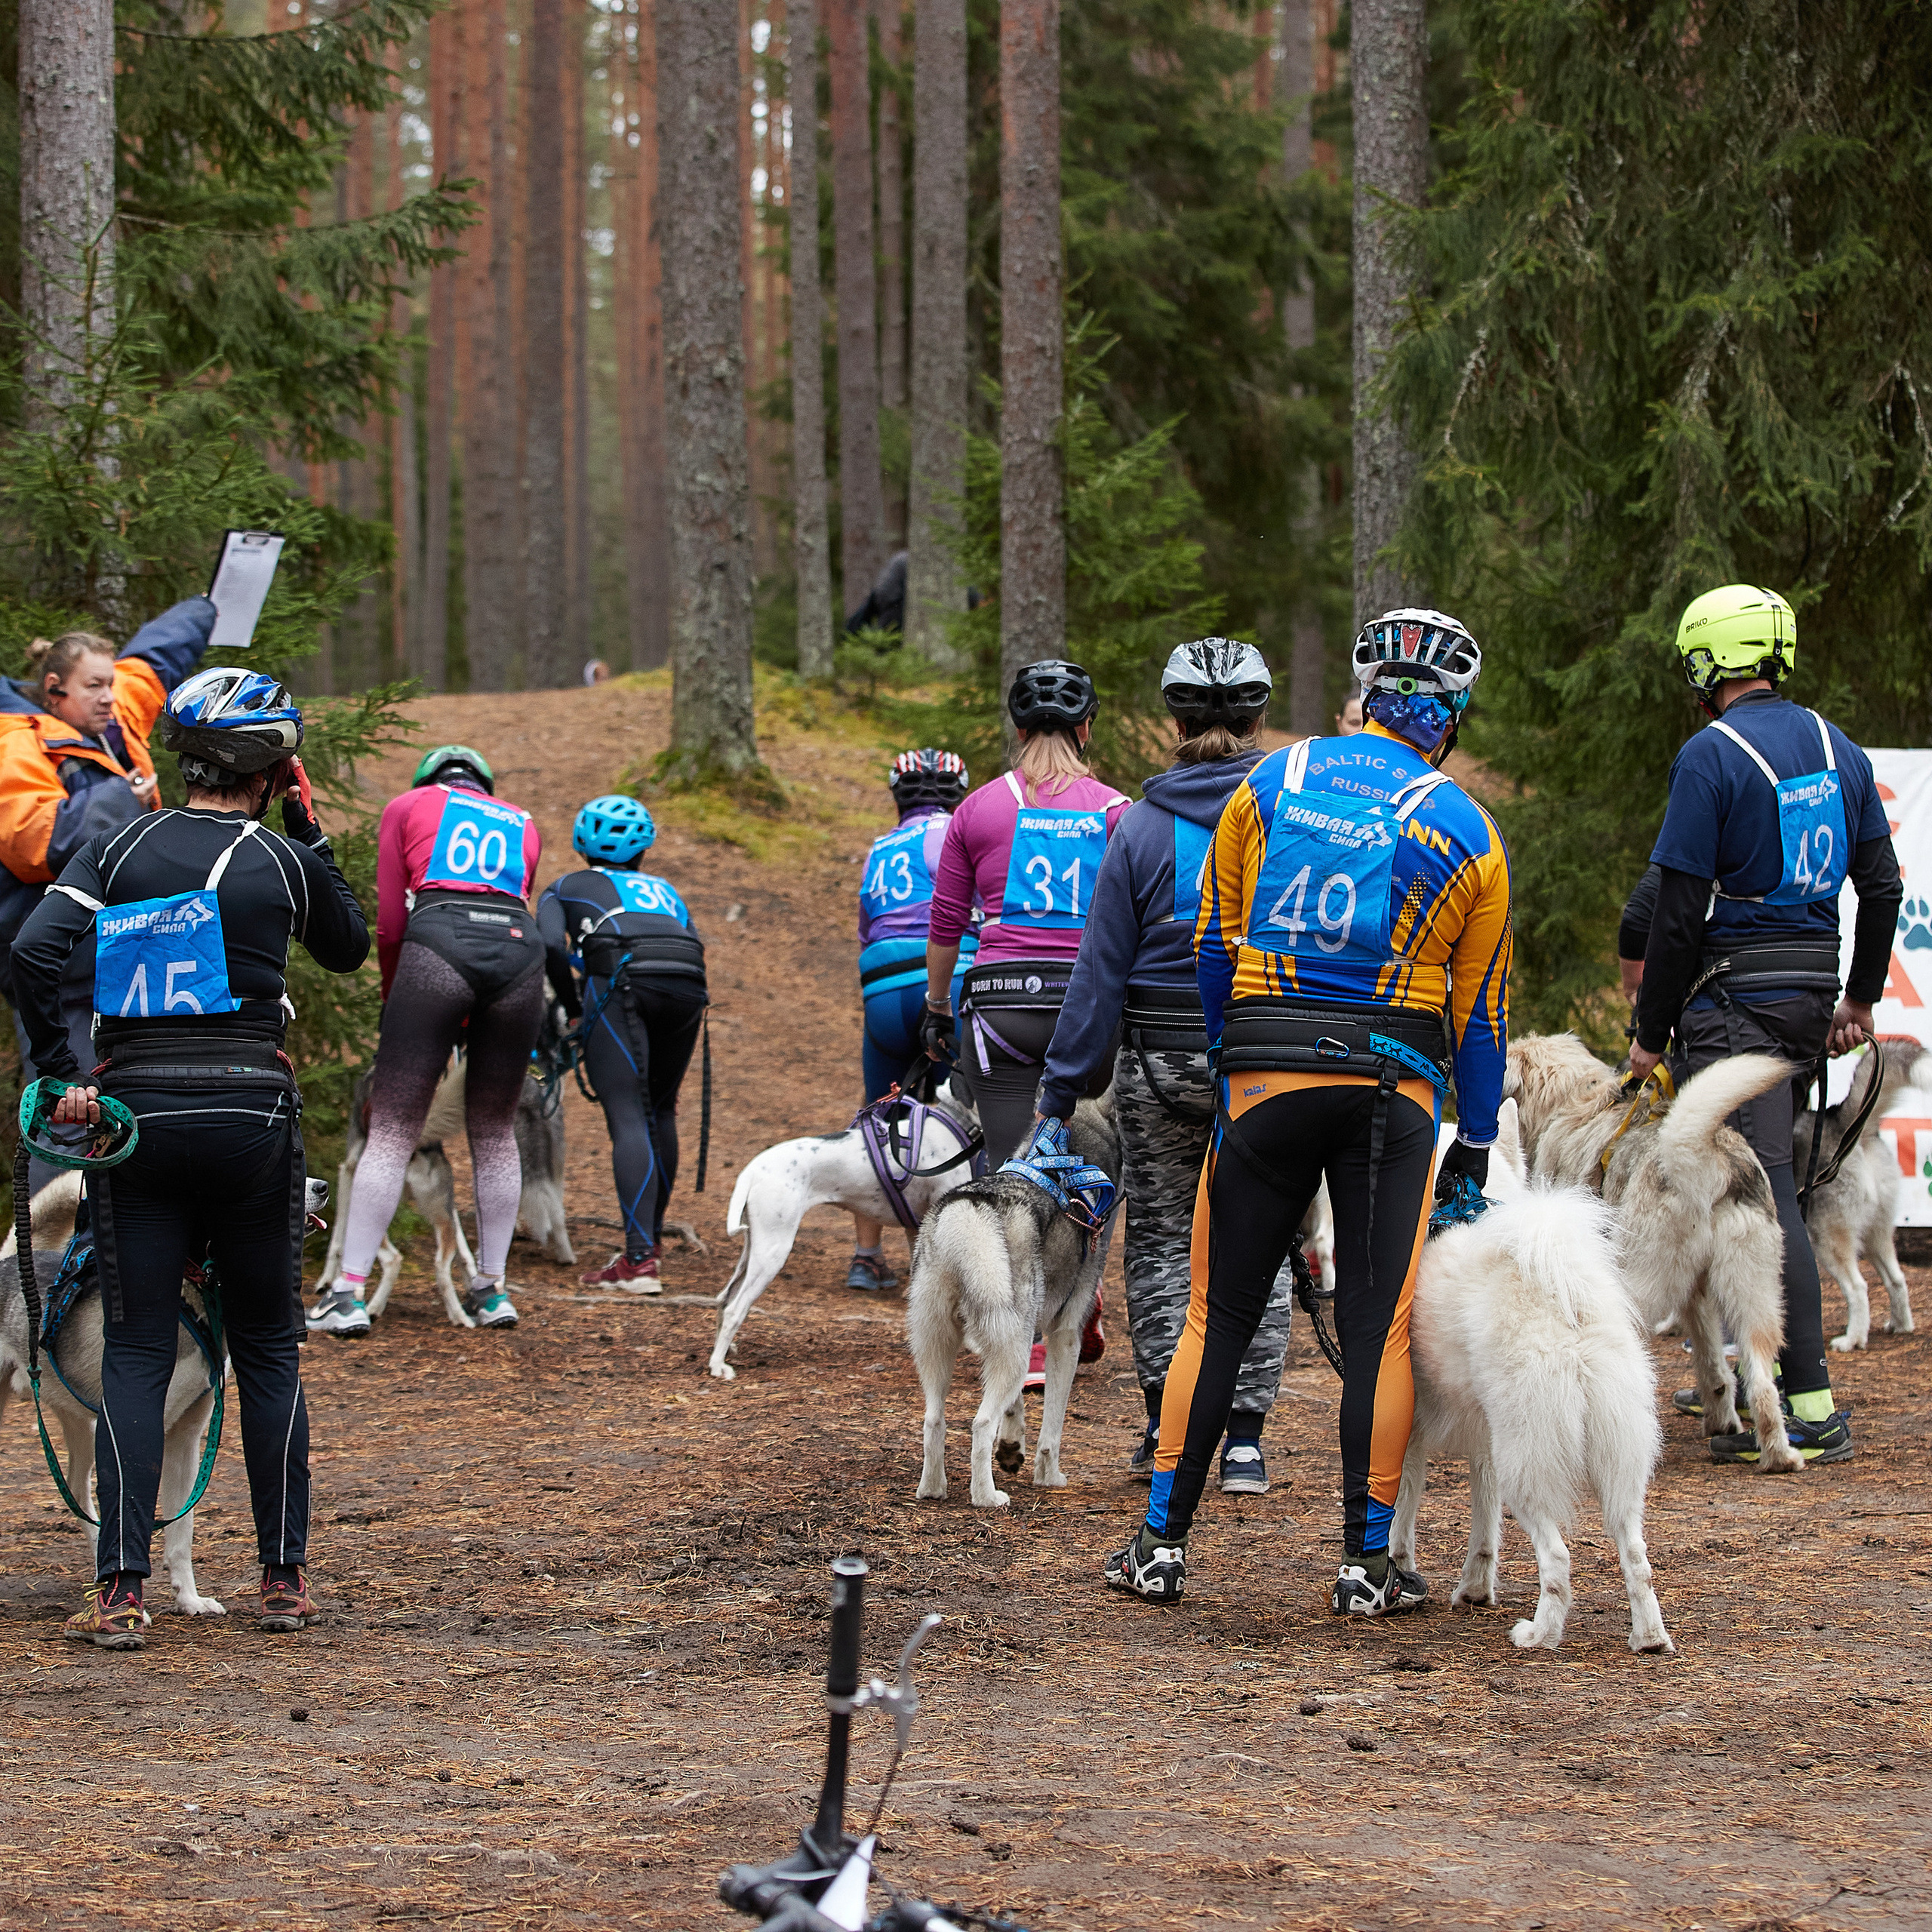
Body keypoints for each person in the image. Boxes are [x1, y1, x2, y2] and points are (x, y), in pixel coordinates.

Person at [1105, 608, 1512, 1614]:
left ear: (1364, 698)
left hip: (1267, 1079)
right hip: (1393, 1093)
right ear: (1447, 719)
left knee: (1217, 1311)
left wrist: (1232, 1056)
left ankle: (1161, 1545)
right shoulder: (1466, 827)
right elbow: (1482, 1012)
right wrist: (1483, 1140)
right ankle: (1367, 1568)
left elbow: (1212, 941)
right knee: (1379, 1328)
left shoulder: (1271, 782)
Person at [11, 669, 368, 1648]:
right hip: (252, 1116)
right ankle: (284, 1580)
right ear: (272, 770)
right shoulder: (279, 858)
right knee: (265, 1347)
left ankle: (122, 1591)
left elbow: (35, 955)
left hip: (137, 1120)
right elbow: (346, 948)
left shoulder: (116, 843)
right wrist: (311, 829)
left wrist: (61, 1071)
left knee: (135, 1348)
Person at [1628, 584, 1901, 1465]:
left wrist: (1647, 1033)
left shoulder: (1709, 755)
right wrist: (1857, 1000)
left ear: (1709, 664)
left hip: (1728, 1002)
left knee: (1758, 1195)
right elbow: (1883, 885)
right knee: (1757, 1189)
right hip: (1808, 994)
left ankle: (1807, 1404)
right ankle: (1744, 1375)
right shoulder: (1837, 746)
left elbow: (1674, 914)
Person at [1035, 639, 1297, 1498]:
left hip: (1157, 1062)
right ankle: (1247, 1442)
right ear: (1256, 719)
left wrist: (1060, 1088)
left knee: (1157, 1242)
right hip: (1263, 1062)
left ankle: (1164, 1422)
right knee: (1259, 1242)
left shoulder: (1139, 828)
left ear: (1175, 722)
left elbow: (1098, 970)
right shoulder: (1292, 820)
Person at [306, 745, 544, 1337]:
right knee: (494, 1129)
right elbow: (515, 897)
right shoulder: (521, 820)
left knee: (392, 1128)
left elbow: (390, 918)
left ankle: (348, 1292)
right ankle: (491, 1289)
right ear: (484, 786)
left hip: (437, 945)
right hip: (519, 951)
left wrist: (399, 996)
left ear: (428, 779)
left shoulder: (408, 804)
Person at [0, 600, 217, 1103]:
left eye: (110, 683)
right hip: (58, 966)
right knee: (69, 1103)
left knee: (132, 1098)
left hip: (123, 953)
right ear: (55, 690)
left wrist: (210, 607)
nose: (108, 696)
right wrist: (126, 798)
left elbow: (154, 662)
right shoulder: (17, 743)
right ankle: (58, 1184)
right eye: (94, 686)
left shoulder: (109, 716)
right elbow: (35, 840)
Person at [923, 662, 1131, 1166]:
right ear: (1086, 729)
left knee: (1012, 1173)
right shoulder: (1118, 812)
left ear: (1019, 730)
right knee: (1090, 1173)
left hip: (1001, 1005)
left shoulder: (974, 809)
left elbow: (947, 924)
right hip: (1088, 1006)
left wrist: (937, 1008)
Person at [538, 795, 707, 1291]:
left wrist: (573, 1005)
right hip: (687, 981)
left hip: (621, 979)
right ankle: (646, 1243)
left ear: (581, 841)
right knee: (662, 1111)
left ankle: (638, 1261)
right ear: (644, 848)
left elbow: (548, 944)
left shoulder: (566, 887)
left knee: (629, 1112)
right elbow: (692, 940)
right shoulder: (665, 889)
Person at [848, 748, 974, 1292]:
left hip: (882, 992)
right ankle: (961, 1261)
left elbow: (864, 928)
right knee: (972, 1118)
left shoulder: (879, 848)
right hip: (949, 981)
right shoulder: (959, 833)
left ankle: (867, 1255)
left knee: (881, 1117)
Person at [844, 550, 909, 639]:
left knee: (883, 631)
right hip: (893, 601)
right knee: (890, 636)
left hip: (881, 597)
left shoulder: (900, 557)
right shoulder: (906, 559)